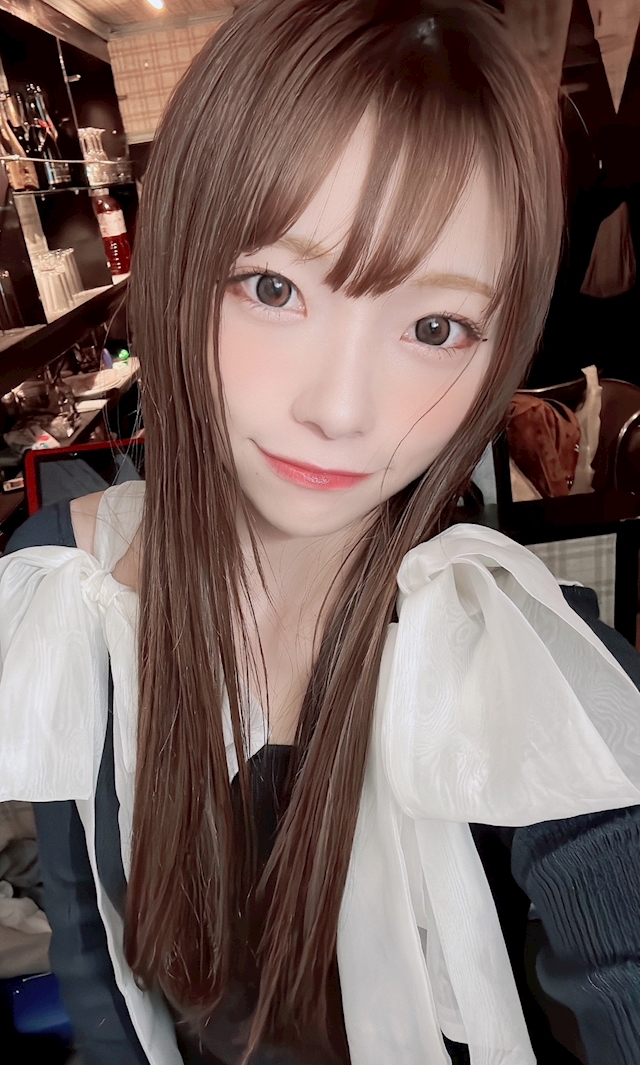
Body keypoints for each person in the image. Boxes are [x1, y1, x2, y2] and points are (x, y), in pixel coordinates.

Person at [2, 2, 640, 1064]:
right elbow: (92, 945)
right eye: (274, 287)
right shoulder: (65, 584)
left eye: (434, 327)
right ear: (176, 268)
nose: (341, 410)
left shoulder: (512, 645)